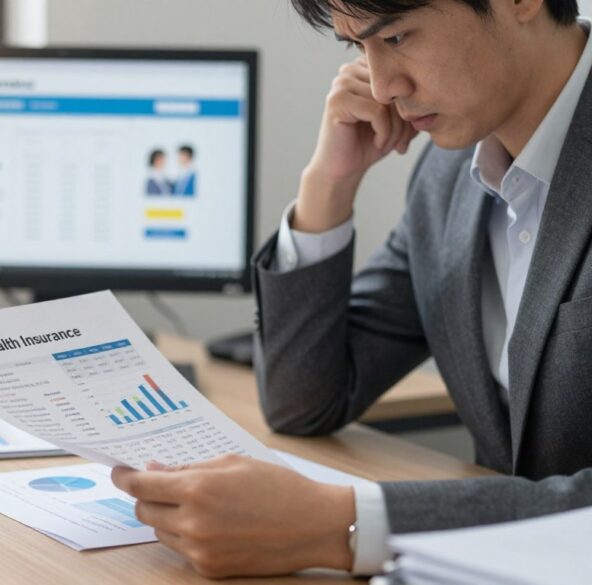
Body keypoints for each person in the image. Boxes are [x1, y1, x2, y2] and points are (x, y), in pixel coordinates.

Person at [113, 0, 592, 577]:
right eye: (358, 47)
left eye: (397, 38)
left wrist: (339, 524)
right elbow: (304, 401)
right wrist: (327, 184)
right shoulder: (448, 179)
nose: (382, 88)